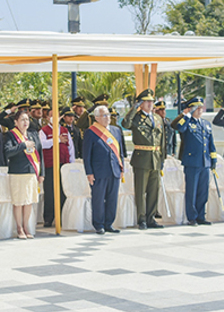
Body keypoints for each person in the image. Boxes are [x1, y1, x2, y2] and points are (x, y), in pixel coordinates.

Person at [121, 89, 166, 230]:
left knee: (154, 190)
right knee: (141, 191)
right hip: (142, 158)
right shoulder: (136, 117)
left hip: (156, 158)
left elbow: (162, 139)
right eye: (146, 102)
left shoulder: (158, 118)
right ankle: (141, 219)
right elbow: (125, 124)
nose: (149, 104)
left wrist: (162, 158)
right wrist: (134, 109)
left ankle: (151, 217)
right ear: (140, 104)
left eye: (151, 101)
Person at [171, 97, 216, 226]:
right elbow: (178, 127)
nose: (200, 110)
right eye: (197, 108)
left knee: (203, 191)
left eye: (201, 107)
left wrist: (213, 159)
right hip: (192, 162)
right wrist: (186, 114)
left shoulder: (206, 124)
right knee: (192, 191)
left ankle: (201, 216)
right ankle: (192, 217)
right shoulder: (187, 122)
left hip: (204, 162)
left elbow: (210, 144)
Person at [83, 106, 125, 234]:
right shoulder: (91, 132)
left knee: (112, 198)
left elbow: (121, 151)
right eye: (104, 115)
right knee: (98, 198)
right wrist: (89, 172)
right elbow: (86, 154)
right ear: (96, 118)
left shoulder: (116, 130)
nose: (108, 118)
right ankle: (99, 224)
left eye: (108, 115)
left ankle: (109, 223)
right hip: (99, 170)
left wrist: (121, 166)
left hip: (114, 170)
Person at [4, 110, 44, 239]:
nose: (25, 122)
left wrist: (41, 173)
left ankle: (26, 227)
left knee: (29, 202)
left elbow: (40, 154)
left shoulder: (33, 134)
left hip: (32, 172)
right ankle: (19, 228)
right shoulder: (10, 135)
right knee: (19, 202)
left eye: (27, 119)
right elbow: (8, 152)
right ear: (16, 122)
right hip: (17, 172)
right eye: (22, 119)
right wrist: (22, 145)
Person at [39, 111, 75, 228]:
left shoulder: (65, 131)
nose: (54, 118)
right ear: (48, 117)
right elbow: (42, 144)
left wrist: (71, 164)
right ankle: (48, 218)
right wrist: (57, 139)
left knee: (63, 192)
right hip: (50, 166)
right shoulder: (43, 131)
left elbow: (71, 148)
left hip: (63, 165)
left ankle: (61, 217)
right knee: (50, 193)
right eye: (51, 115)